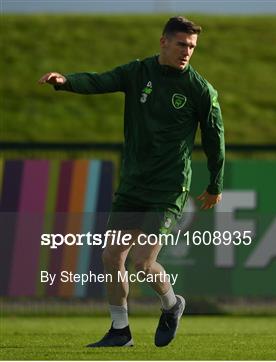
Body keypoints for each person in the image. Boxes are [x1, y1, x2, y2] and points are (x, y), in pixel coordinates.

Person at [38, 16, 225, 348]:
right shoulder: (138, 73)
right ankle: (120, 330)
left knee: (142, 262)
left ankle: (171, 304)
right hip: (134, 183)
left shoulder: (200, 90)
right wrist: (66, 81)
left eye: (192, 47)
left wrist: (216, 183)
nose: (187, 52)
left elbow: (215, 139)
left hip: (169, 188)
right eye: (182, 44)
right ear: (163, 42)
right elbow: (101, 80)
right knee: (111, 257)